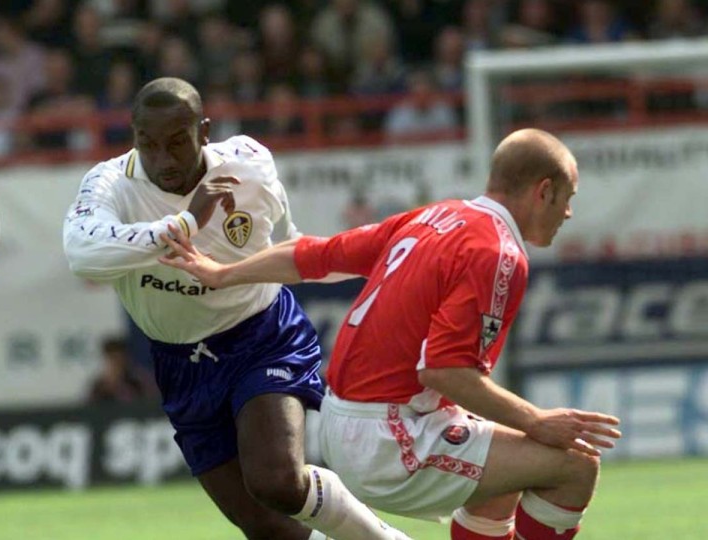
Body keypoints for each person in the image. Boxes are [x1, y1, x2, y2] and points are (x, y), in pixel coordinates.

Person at [159, 128, 622, 540]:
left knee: (501, 484)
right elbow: (444, 371)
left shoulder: (433, 217)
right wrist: (537, 420)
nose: (568, 212)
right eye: (568, 197)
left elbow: (315, 254)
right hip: (387, 438)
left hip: (347, 419)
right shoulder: (498, 253)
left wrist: (223, 273)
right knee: (576, 465)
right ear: (544, 191)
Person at [63, 77, 410, 540]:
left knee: (277, 481)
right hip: (180, 363)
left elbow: (286, 242)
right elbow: (82, 253)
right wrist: (186, 222)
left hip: (261, 336)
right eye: (148, 144)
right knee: (265, 526)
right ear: (134, 136)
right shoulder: (109, 183)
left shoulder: (247, 165)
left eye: (176, 143)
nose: (163, 160)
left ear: (204, 132)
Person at [86, 336, 158, 404]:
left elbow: (152, 401)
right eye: (113, 359)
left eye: (119, 359)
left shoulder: (139, 382)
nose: (116, 364)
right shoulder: (99, 388)